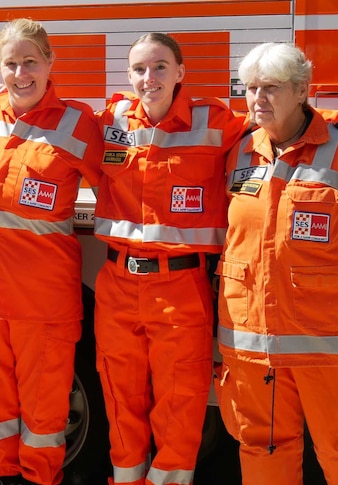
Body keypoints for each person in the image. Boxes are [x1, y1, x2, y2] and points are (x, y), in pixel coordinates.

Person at [0, 18, 103, 485]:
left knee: (43, 419)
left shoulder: (78, 124)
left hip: (41, 303)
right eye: (10, 63)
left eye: (30, 61)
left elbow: (126, 187)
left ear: (50, 63)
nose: (20, 73)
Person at [92, 33, 247, 485]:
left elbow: (277, 126)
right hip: (117, 284)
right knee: (121, 404)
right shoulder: (109, 120)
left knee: (180, 407)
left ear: (181, 73)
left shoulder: (216, 122)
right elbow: (46, 120)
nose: (149, 78)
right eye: (140, 69)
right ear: (128, 75)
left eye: (160, 67)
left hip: (180, 289)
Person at [216, 42, 338, 485]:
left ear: (302, 91)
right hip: (253, 343)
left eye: (270, 88)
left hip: (325, 345)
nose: (258, 99)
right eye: (251, 88)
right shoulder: (237, 151)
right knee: (262, 448)